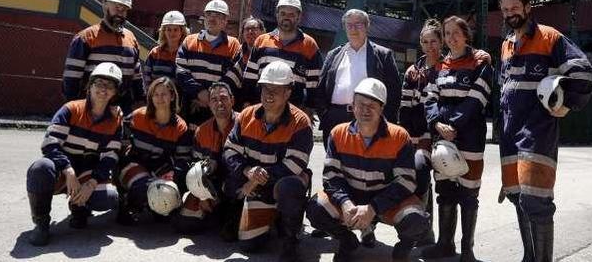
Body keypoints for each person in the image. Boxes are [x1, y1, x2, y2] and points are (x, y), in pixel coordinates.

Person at [497, 0, 592, 262]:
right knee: (517, 197)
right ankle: (529, 256)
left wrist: (568, 103)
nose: (510, 14)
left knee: (535, 200)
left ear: (528, 8)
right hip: (509, 133)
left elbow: (582, 70)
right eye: (505, 10)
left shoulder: (549, 37)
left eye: (514, 7)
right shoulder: (505, 44)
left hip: (537, 132)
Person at [306, 78, 429, 262]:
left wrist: (373, 208)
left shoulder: (399, 136)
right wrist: (346, 203)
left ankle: (402, 251)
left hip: (386, 200)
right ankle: (347, 241)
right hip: (351, 196)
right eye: (360, 104)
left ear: (382, 108)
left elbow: (405, 182)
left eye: (372, 105)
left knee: (417, 221)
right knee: (315, 209)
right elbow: (331, 176)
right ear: (352, 106)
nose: (365, 110)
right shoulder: (338, 133)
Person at [25, 62, 125, 246]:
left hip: (88, 169)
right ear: (90, 84)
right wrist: (68, 170)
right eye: (100, 83)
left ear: (115, 92)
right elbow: (50, 143)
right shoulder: (71, 109)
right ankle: (41, 222)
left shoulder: (116, 119)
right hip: (62, 169)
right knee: (40, 168)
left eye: (110, 86)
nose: (104, 90)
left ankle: (79, 206)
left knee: (109, 197)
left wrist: (92, 183)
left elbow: (111, 156)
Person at [224, 61, 314, 262]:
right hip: (258, 187)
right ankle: (272, 218)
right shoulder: (246, 116)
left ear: (288, 93)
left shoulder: (301, 123)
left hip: (281, 184)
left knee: (289, 187)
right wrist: (247, 171)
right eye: (265, 88)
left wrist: (255, 179)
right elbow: (230, 150)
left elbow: (294, 165)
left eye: (276, 89)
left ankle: (291, 239)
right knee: (249, 245)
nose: (269, 94)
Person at [422, 16, 493, 262]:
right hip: (442, 138)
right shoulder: (440, 66)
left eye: (455, 33)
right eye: (447, 33)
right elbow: (430, 97)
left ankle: (468, 250)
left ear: (466, 35)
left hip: (470, 137)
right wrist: (436, 124)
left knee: (469, 194)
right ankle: (444, 245)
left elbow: (478, 97)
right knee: (445, 190)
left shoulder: (480, 61)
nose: (451, 38)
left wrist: (452, 125)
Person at [317, 9, 402, 146]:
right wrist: (326, 115)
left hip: (368, 118)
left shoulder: (382, 55)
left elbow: (394, 93)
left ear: (367, 26)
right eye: (349, 25)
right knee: (334, 163)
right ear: (344, 28)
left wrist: (383, 121)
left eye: (358, 24)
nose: (353, 29)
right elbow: (321, 88)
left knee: (364, 163)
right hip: (335, 118)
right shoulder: (334, 54)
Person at [116, 77, 191, 224]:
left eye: (164, 94)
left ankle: (155, 208)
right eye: (155, 94)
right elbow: (119, 136)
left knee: (165, 198)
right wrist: (123, 155)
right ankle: (127, 203)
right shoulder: (138, 116)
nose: (159, 98)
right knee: (143, 187)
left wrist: (173, 174)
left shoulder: (180, 127)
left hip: (160, 167)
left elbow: (183, 160)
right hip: (134, 163)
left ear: (172, 96)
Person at [174, 82, 242, 240]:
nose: (219, 103)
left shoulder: (245, 124)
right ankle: (217, 214)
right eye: (214, 99)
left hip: (239, 185)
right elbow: (196, 169)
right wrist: (201, 196)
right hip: (212, 187)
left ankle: (233, 214)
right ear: (208, 103)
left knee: (236, 235)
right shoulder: (202, 131)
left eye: (224, 98)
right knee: (184, 224)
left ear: (232, 100)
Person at [399, 18, 444, 247]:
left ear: (441, 42)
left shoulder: (447, 68)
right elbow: (405, 107)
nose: (430, 46)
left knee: (444, 186)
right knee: (421, 177)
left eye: (434, 41)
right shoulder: (412, 71)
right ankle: (424, 231)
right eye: (425, 42)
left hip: (440, 134)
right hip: (417, 136)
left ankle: (437, 235)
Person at [62, 0, 143, 114]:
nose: (120, 12)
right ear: (105, 5)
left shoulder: (131, 38)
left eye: (124, 9)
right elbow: (72, 78)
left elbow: (137, 75)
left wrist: (140, 100)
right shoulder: (86, 37)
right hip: (92, 106)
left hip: (121, 108)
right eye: (117, 7)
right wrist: (74, 108)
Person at [242, 0, 323, 114]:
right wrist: (247, 103)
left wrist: (309, 110)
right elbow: (250, 77)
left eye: (291, 14)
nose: (286, 18)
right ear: (277, 14)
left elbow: (314, 83)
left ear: (299, 17)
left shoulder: (309, 45)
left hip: (293, 114)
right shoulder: (261, 41)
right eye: (283, 13)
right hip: (260, 110)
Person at [176, 0, 244, 125]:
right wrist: (199, 92)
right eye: (209, 14)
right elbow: (181, 71)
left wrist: (212, 97)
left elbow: (234, 75)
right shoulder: (189, 41)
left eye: (218, 15)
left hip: (219, 109)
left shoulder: (234, 45)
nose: (212, 19)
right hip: (191, 105)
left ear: (225, 21)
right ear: (204, 18)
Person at [143, 10, 189, 91]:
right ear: (163, 31)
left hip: (178, 101)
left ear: (182, 31)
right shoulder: (155, 53)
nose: (172, 33)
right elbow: (146, 77)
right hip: (156, 99)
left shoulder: (186, 55)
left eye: (175, 29)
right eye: (169, 29)